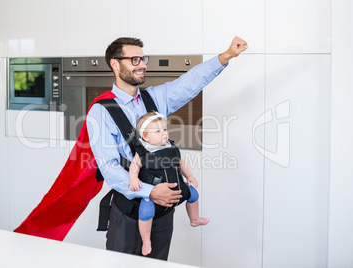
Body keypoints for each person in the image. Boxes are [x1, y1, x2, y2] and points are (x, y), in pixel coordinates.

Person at [86, 36, 247, 260]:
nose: (142, 64)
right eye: (134, 59)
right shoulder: (101, 111)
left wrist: (226, 55)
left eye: (143, 59)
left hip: (163, 213)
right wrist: (150, 192)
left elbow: (190, 83)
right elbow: (108, 167)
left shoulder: (154, 98)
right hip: (130, 214)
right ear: (115, 64)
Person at [129, 111, 210, 256]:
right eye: (158, 131)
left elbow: (181, 163)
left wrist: (189, 176)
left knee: (193, 194)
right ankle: (146, 240)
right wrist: (134, 179)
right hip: (154, 196)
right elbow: (134, 166)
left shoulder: (170, 147)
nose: (164, 134)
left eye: (165, 130)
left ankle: (194, 218)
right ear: (145, 137)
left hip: (177, 189)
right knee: (145, 212)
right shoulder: (144, 151)